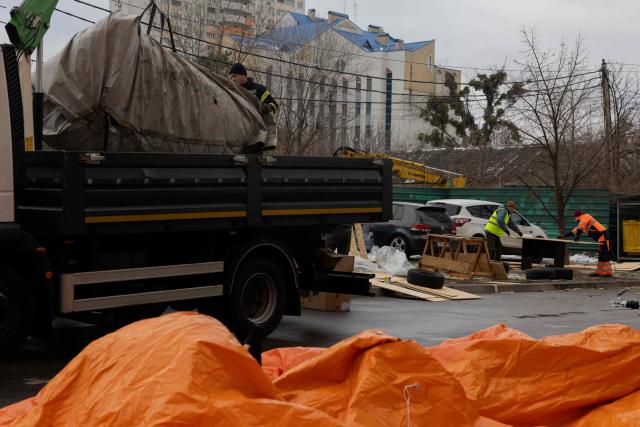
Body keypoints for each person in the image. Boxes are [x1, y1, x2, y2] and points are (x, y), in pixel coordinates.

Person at [229, 63, 278, 153]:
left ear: (243, 75)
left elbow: (275, 105)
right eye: (231, 77)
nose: (232, 79)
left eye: (234, 76)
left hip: (255, 136)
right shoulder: (232, 91)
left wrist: (267, 107)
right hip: (236, 135)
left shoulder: (259, 89)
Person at [559, 210, 613, 278]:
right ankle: (600, 272)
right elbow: (573, 232)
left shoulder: (586, 217)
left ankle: (608, 273)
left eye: (575, 217)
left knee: (605, 256)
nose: (574, 219)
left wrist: (577, 237)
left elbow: (580, 228)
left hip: (604, 237)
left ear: (578, 216)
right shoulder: (582, 223)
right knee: (601, 256)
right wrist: (563, 236)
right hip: (600, 239)